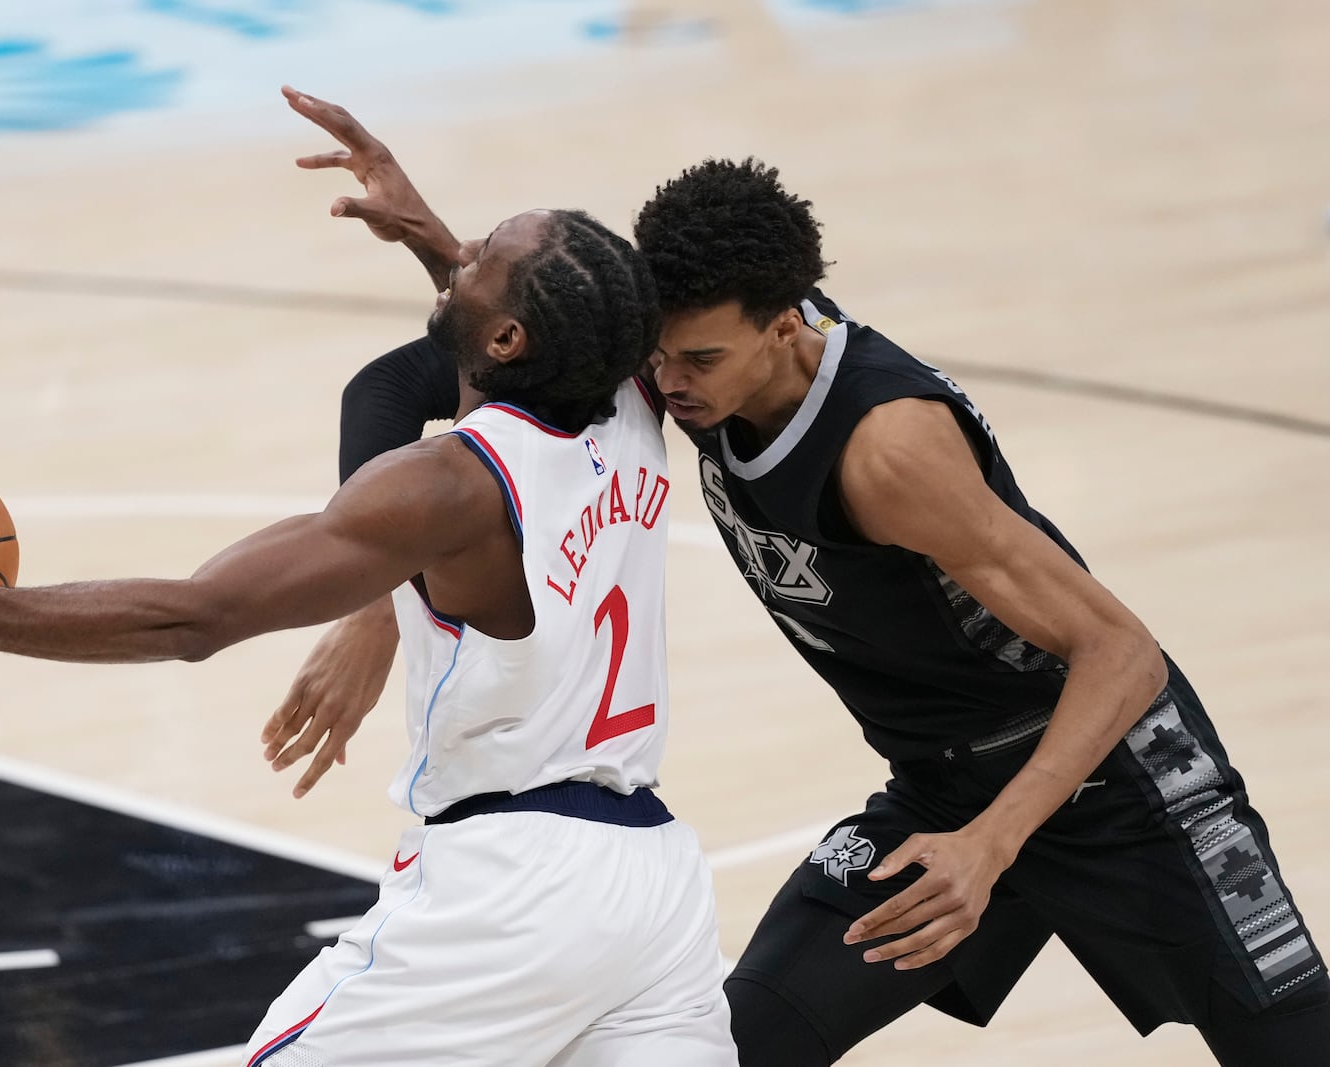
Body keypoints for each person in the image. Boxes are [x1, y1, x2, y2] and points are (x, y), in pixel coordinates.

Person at [261, 90, 1330, 1064]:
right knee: (739, 1043)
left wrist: (989, 845)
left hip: (1115, 782)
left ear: (784, 323)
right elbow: (543, 342)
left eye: (698, 363)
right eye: (658, 357)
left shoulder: (888, 449)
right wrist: (436, 243)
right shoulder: (690, 358)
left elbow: (1122, 652)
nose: (667, 390)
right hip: (940, 788)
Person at [0, 204, 737, 1067]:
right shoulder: (629, 402)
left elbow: (196, 616)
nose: (462, 255)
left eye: (483, 256)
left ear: (510, 334)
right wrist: (426, 233)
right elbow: (545, 319)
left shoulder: (450, 484)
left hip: (511, 893)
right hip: (656, 891)